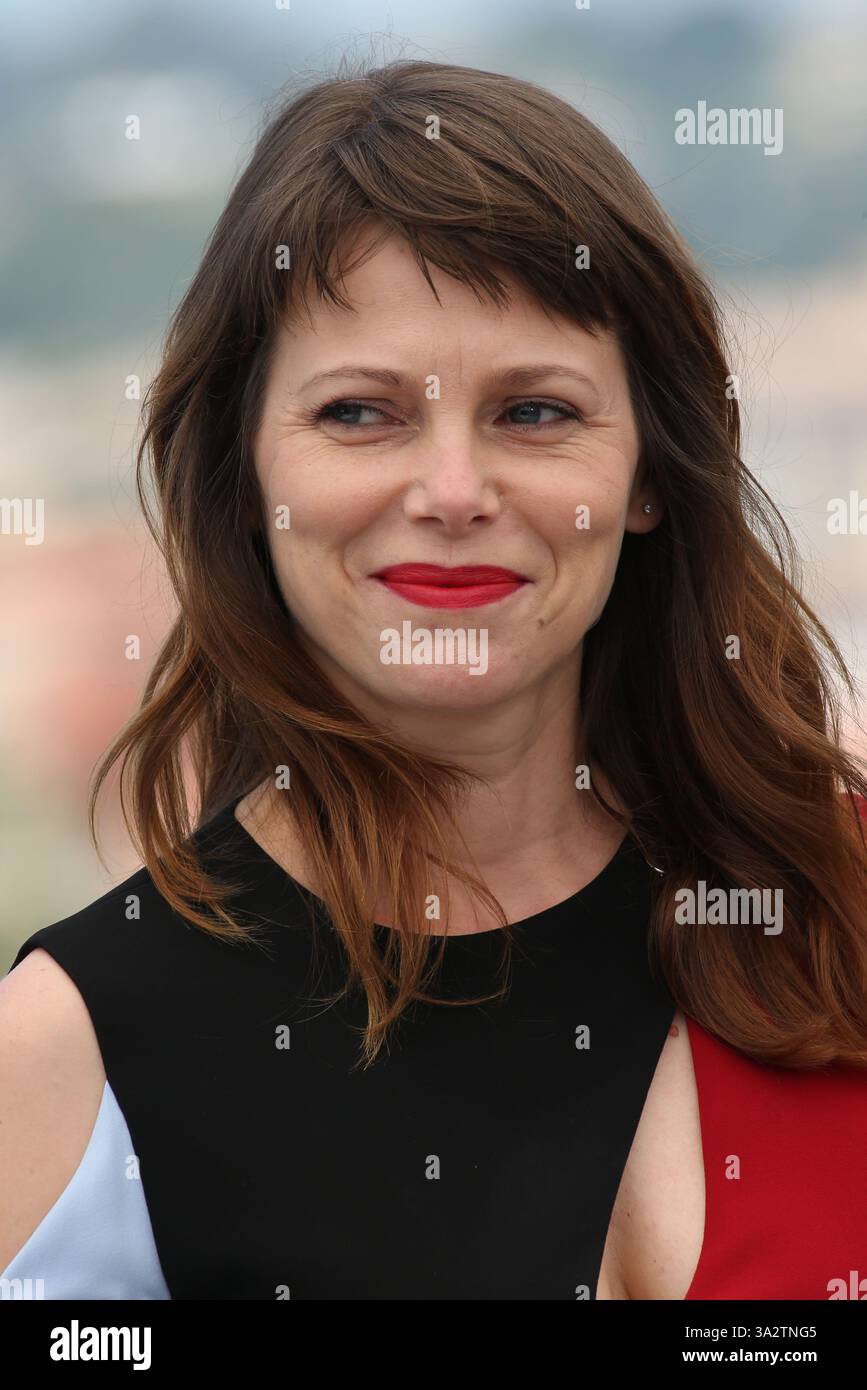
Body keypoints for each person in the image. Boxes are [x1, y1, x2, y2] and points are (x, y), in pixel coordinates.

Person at [2, 58, 866, 1302]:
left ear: (651, 475)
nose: (454, 493)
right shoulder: (66, 1062)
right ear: (244, 476)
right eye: (360, 414)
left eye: (534, 412)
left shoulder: (843, 903)